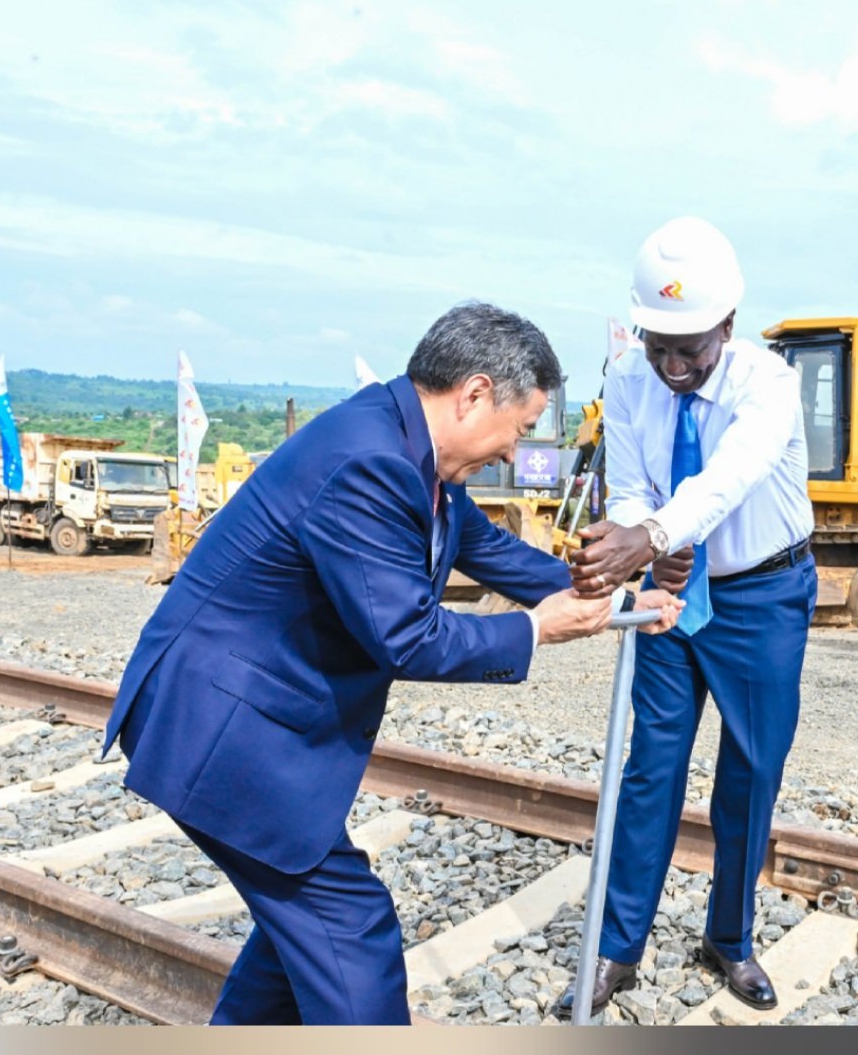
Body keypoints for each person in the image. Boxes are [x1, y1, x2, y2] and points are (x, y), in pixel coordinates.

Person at [110, 306, 618, 1022]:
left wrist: (610, 594)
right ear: (474, 394)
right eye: (522, 427)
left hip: (250, 720)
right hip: (222, 730)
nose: (514, 450)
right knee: (353, 933)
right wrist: (535, 631)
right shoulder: (371, 461)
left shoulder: (408, 445)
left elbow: (484, 546)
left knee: (297, 941)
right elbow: (406, 635)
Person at [568, 222, 817, 1017]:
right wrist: (650, 542)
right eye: (659, 347)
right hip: (672, 598)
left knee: (751, 770)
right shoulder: (631, 381)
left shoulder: (768, 383)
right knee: (651, 768)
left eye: (692, 351)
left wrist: (662, 534)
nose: (674, 368)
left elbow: (734, 474)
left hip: (761, 596)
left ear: (728, 328)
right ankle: (617, 947)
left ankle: (730, 939)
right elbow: (634, 481)